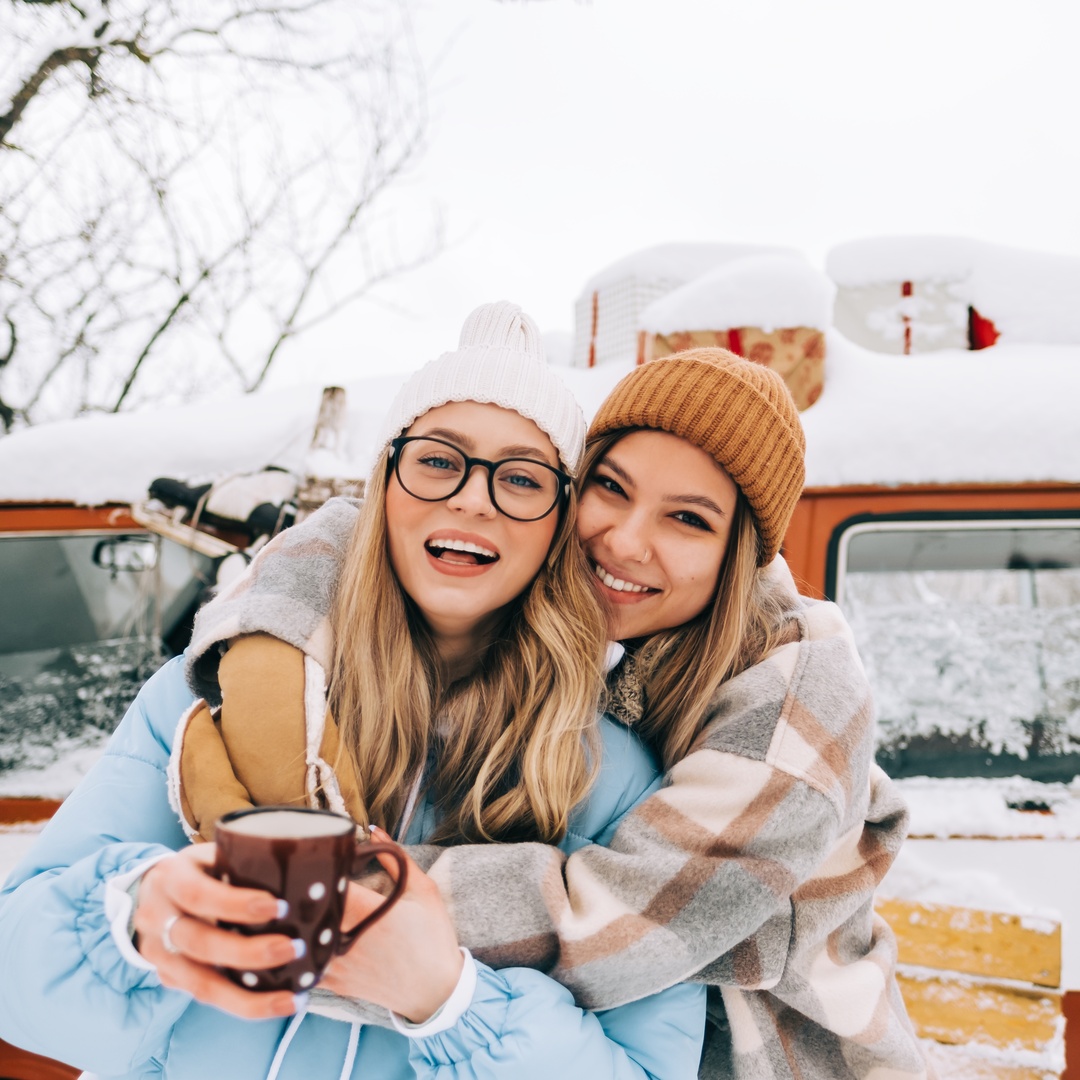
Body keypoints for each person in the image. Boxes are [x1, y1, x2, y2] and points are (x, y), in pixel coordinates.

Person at [162, 347, 931, 1079]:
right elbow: (376, 528)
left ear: (741, 554)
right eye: (612, 488)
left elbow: (604, 924)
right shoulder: (625, 631)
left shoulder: (795, 706)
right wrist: (271, 655)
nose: (626, 541)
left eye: (688, 520)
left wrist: (303, 891)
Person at [0, 303, 706, 1080]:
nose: (473, 499)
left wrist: (450, 1003)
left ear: (557, 524)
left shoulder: (615, 780)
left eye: (521, 478)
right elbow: (18, 982)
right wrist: (133, 918)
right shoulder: (211, 695)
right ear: (385, 487)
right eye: (439, 460)